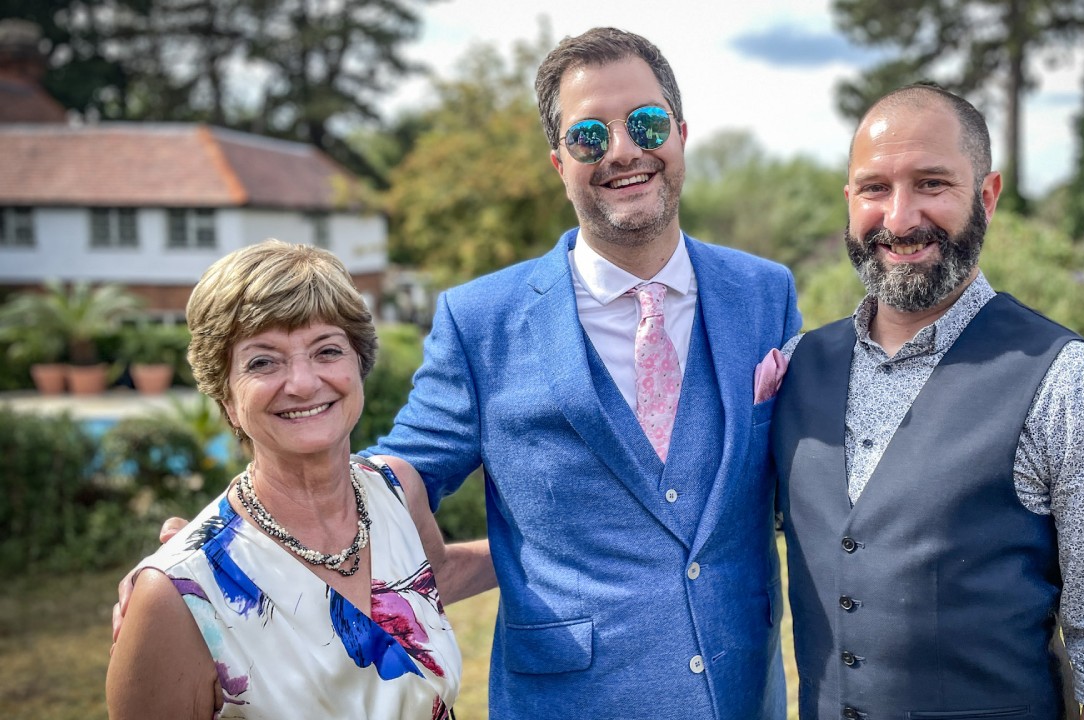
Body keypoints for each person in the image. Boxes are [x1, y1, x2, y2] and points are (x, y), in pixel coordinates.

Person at [115, 27, 801, 719]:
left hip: (742, 690)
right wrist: (220, 548)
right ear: (557, 161)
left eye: (645, 123)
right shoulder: (482, 321)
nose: (623, 149)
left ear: (680, 133)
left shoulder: (763, 293)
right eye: (590, 136)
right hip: (571, 700)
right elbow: (390, 474)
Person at [772, 83, 1084, 720]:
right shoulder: (795, 370)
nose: (900, 219)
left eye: (932, 184)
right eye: (875, 188)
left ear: (987, 196)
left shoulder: (1081, 389)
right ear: (849, 202)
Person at [106, 240, 494, 719]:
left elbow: (437, 577)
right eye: (263, 361)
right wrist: (160, 586)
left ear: (358, 366)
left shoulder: (397, 489)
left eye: (327, 350)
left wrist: (576, 545)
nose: (304, 382)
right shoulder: (179, 594)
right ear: (226, 396)